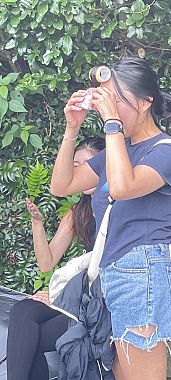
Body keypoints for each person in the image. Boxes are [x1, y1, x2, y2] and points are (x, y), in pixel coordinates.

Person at [50, 57, 171, 379]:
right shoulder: (118, 148)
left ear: (144, 102)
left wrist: (111, 122)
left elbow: (123, 187)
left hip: (145, 274)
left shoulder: (167, 151)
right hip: (113, 272)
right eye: (104, 99)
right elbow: (62, 185)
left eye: (116, 99)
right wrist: (72, 128)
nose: (106, 108)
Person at [7, 138, 104, 380]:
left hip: (100, 300)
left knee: (31, 339)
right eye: (76, 166)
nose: (80, 172)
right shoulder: (77, 213)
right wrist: (37, 224)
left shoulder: (119, 206)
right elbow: (46, 263)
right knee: (22, 311)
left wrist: (59, 296)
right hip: (78, 294)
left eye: (86, 164)